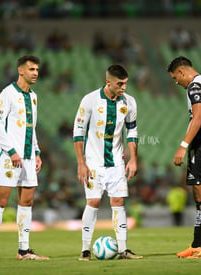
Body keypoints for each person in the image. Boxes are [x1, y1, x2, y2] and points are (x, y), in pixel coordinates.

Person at [73, 64, 142, 261]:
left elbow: (132, 131)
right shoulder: (90, 100)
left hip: (117, 163)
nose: (124, 88)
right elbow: (78, 132)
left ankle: (123, 249)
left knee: (118, 202)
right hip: (94, 163)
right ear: (108, 82)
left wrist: (133, 159)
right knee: (93, 202)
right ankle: (85, 250)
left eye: (126, 83)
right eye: (120, 84)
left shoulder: (129, 102)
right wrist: (81, 163)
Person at [0, 55, 49, 262]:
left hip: (29, 157)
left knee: (27, 201)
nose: (35, 73)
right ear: (21, 71)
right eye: (31, 69)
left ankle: (23, 250)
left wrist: (37, 152)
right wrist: (11, 151)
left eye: (37, 70)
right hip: (10, 156)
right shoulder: (8, 93)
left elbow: (33, 127)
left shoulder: (34, 97)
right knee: (1, 199)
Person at [167, 56, 201, 259]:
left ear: (182, 72)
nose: (176, 82)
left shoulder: (194, 87)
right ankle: (196, 245)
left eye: (175, 77)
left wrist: (182, 146)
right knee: (198, 197)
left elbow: (198, 118)